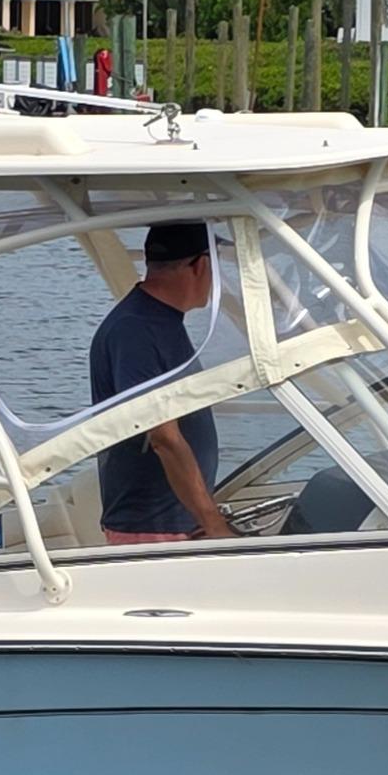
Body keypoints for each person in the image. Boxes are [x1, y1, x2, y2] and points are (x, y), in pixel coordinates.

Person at [88, 220, 230, 543]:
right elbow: (162, 436)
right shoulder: (136, 330)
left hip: (173, 526)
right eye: (216, 264)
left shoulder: (158, 322)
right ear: (201, 265)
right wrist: (215, 524)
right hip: (151, 532)